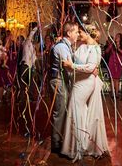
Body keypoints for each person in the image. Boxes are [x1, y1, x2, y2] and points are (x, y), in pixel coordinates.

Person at [61, 24, 109, 161]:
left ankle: (77, 147)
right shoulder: (82, 47)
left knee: (74, 110)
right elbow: (73, 58)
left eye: (80, 32)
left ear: (87, 34)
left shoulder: (96, 49)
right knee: (78, 111)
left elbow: (90, 67)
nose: (79, 35)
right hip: (78, 82)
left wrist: (72, 66)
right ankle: (79, 144)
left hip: (86, 83)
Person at [49, 21, 79, 153]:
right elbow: (69, 67)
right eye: (76, 32)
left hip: (62, 81)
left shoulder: (66, 46)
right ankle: (56, 143)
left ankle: (60, 139)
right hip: (58, 81)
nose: (78, 34)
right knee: (60, 112)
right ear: (69, 33)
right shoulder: (61, 47)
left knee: (63, 111)